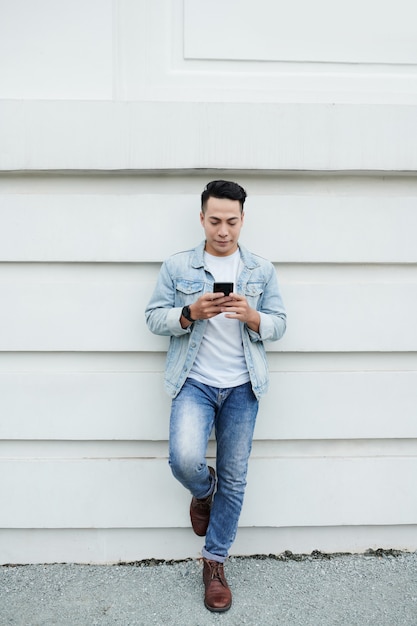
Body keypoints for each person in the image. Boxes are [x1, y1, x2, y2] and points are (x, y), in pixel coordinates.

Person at [145, 180, 286, 612]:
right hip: (195, 383)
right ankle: (203, 492)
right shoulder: (177, 266)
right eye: (214, 220)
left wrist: (253, 316)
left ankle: (214, 563)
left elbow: (280, 324)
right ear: (201, 218)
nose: (222, 231)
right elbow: (153, 318)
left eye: (231, 221)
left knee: (236, 477)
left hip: (244, 386)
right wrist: (188, 314)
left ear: (243, 219)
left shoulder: (261, 270)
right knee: (184, 459)